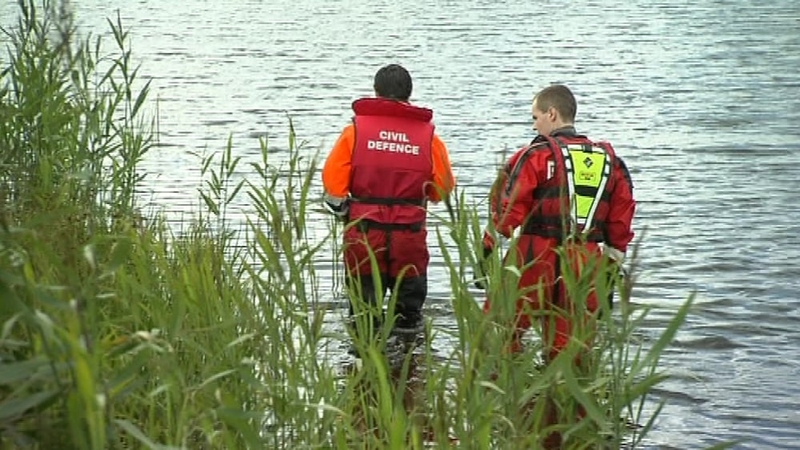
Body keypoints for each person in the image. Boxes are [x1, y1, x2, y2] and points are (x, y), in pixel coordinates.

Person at [479, 84, 635, 362]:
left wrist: (485, 251)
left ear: (551, 114)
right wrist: (609, 271)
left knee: (496, 337)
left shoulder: (534, 156)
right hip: (584, 262)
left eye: (535, 118)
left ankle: (506, 386)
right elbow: (620, 224)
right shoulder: (611, 162)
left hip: (533, 257)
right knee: (570, 355)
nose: (534, 126)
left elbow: (507, 213)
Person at [321, 64, 455, 353]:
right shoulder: (428, 137)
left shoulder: (354, 133)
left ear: (376, 93)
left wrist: (347, 211)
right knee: (410, 318)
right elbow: (442, 190)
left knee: (364, 317)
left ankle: (363, 369)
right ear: (409, 95)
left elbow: (333, 188)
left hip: (364, 235)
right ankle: (409, 368)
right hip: (409, 236)